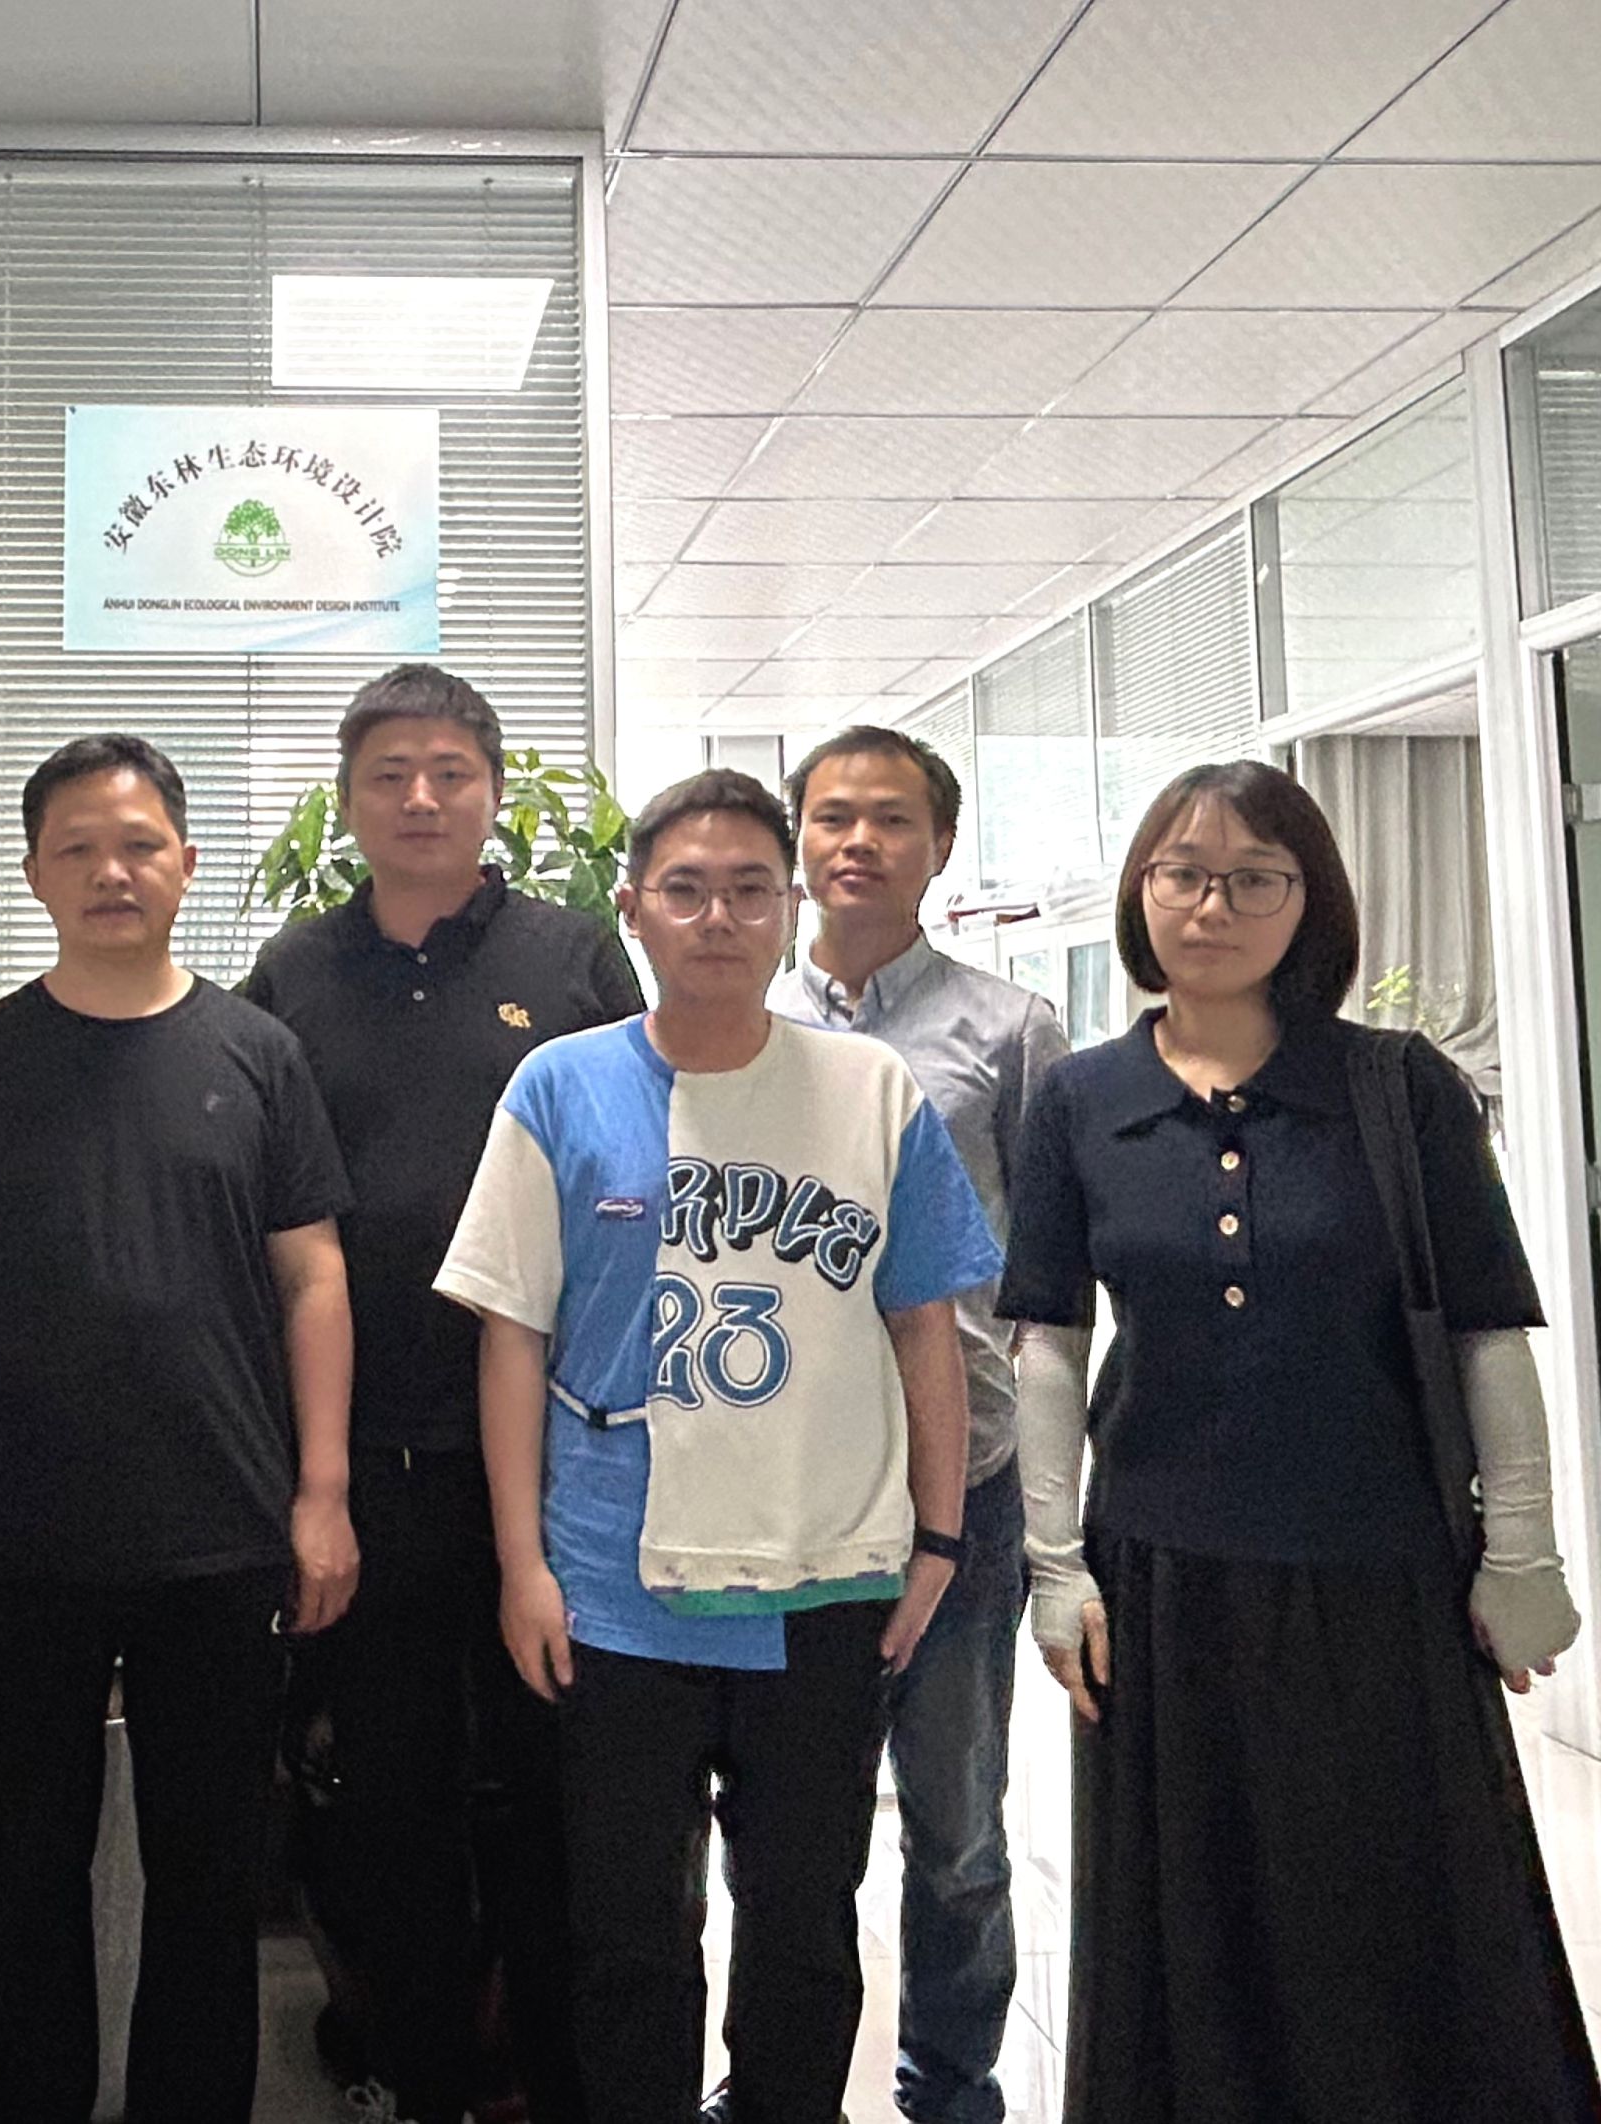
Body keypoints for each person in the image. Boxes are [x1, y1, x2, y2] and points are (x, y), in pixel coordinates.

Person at [998, 758, 1601, 2124]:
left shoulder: (1397, 1087)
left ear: (1309, 900)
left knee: (1396, 1901)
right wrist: (1054, 1565)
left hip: (1382, 1572)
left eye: (1254, 878)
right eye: (1183, 873)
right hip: (1163, 1585)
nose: (1213, 905)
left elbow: (1488, 1333)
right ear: (1140, 893)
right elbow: (1050, 1342)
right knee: (1192, 1919)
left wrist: (1523, 1550)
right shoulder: (1080, 1100)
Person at [435, 768, 1003, 2124]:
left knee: (805, 1920)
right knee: (630, 1930)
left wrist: (936, 1537)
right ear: (632, 909)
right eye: (685, 890)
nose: (718, 918)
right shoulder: (560, 1085)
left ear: (788, 907)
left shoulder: (869, 1090)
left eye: (750, 890)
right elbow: (511, 1337)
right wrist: (523, 1565)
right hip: (615, 1581)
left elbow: (925, 1324)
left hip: (825, 1575)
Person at [0, 734, 357, 2124]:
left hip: (222, 1532)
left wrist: (322, 1489)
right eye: (79, 848)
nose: (111, 871)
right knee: (25, 1871)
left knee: (209, 1879)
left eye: (140, 844)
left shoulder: (257, 1054)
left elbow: (315, 1278)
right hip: (18, 1538)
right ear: (35, 872)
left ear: (186, 866)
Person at [248, 664, 639, 2124]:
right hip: (369, 1460)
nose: (421, 798)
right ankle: (420, 2078)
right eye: (389, 774)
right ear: (347, 800)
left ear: (493, 788)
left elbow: (648, 1161)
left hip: (561, 1460)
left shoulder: (574, 952)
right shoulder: (293, 971)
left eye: (450, 771)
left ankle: (555, 2081)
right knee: (393, 1802)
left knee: (560, 1792)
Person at [764, 727, 1068, 2124]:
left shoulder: (1010, 1031)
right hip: (788, 1485)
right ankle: (777, 2084)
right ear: (798, 843)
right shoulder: (738, 1016)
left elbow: (1054, 1279)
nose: (860, 843)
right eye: (833, 816)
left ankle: (952, 2088)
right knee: (788, 1831)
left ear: (939, 846)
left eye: (892, 819)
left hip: (969, 1483)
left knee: (954, 1829)